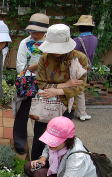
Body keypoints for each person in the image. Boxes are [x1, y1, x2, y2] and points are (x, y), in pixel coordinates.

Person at [9, 116, 99, 177]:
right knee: (30, 167)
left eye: (55, 141)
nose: (51, 144)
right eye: (50, 139)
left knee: (41, 176)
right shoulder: (61, 144)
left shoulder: (77, 159)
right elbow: (48, 147)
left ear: (67, 140)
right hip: (61, 170)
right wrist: (43, 158)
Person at [30, 24, 88, 160]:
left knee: (61, 141)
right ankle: (35, 168)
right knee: (40, 137)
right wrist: (65, 85)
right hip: (45, 106)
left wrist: (57, 91)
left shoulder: (79, 59)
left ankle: (57, 170)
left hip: (66, 106)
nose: (55, 52)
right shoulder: (44, 58)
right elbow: (41, 83)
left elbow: (80, 86)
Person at [13, 13, 49, 154]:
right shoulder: (24, 43)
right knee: (22, 114)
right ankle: (20, 144)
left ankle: (39, 148)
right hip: (27, 84)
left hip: (45, 86)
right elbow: (20, 66)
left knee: (42, 119)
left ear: (45, 31)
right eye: (32, 31)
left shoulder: (50, 45)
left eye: (37, 31)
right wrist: (34, 70)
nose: (34, 34)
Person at [73, 15, 98, 121]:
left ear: (80, 27)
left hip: (76, 68)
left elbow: (71, 55)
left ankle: (81, 113)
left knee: (77, 89)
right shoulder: (95, 39)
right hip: (86, 67)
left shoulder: (76, 40)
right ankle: (79, 112)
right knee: (80, 88)